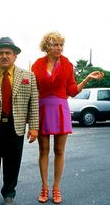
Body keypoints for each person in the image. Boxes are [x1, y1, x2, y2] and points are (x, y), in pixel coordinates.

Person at [31, 31, 104, 204]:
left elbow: (71, 91)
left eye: (61, 45)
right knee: (43, 150)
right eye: (55, 44)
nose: (59, 48)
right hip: (42, 109)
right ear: (47, 46)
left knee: (59, 151)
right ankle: (44, 187)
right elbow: (32, 91)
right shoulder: (37, 65)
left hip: (60, 108)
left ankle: (56, 188)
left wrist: (86, 78)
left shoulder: (67, 64)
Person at [0, 37, 39, 205]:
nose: (4, 56)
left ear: (15, 56)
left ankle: (9, 193)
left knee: (13, 163)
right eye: (1, 53)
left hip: (15, 126)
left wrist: (34, 127)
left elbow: (34, 104)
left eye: (8, 53)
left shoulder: (28, 76)